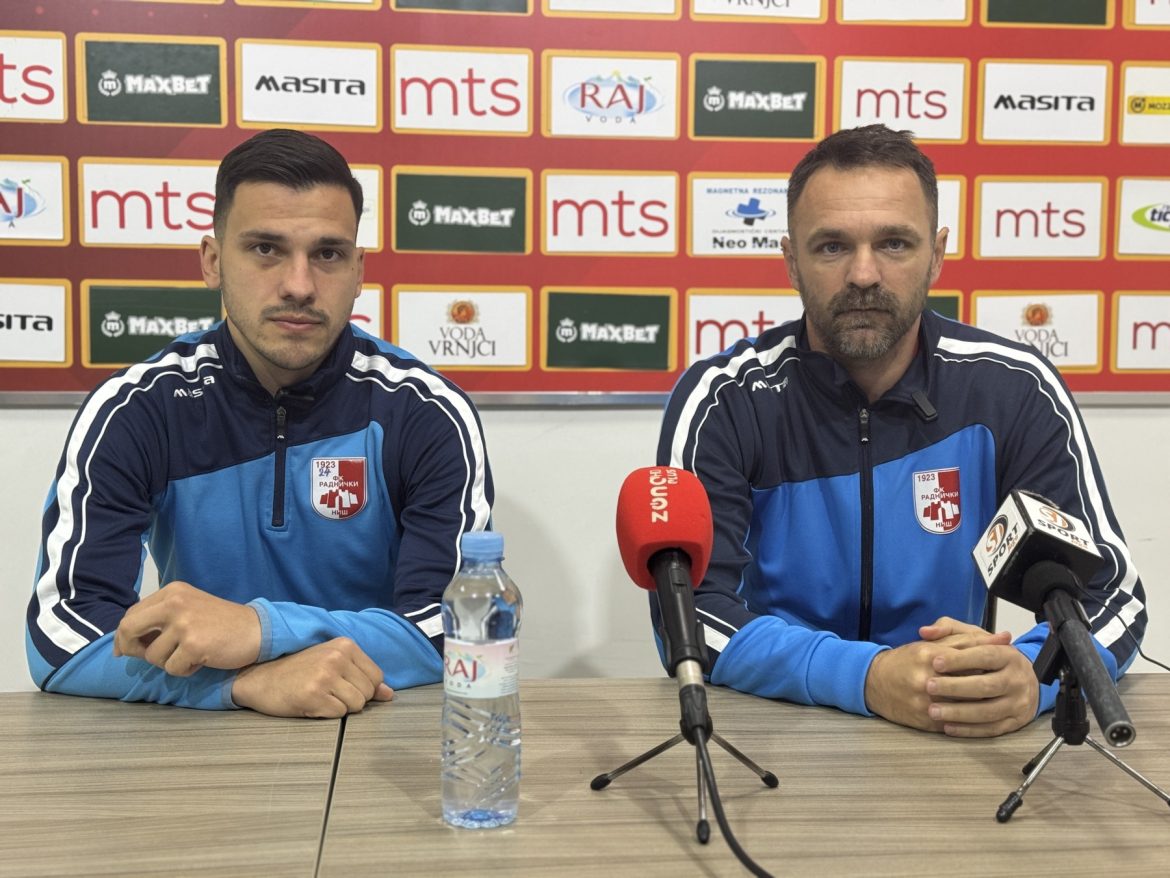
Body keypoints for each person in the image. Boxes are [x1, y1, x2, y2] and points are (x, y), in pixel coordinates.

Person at [655, 124, 1146, 738]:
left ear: (936, 254)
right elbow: (688, 614)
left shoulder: (1012, 389)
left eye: (894, 243)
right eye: (832, 246)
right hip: (776, 733)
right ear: (791, 261)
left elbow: (1112, 595)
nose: (864, 274)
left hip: (954, 734)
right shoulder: (726, 399)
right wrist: (867, 677)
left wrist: (1033, 673)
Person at [27, 129, 493, 717]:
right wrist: (240, 685)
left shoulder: (424, 411)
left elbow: (460, 627)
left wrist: (261, 630)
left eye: (327, 254)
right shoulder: (140, 409)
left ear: (358, 271)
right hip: (205, 747)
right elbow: (61, 635)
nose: (299, 285)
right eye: (266, 249)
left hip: (383, 730)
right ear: (213, 261)